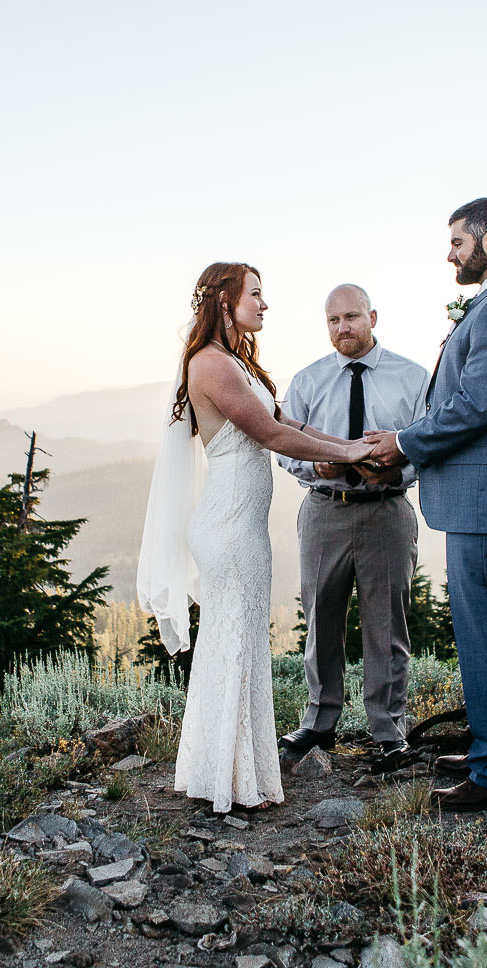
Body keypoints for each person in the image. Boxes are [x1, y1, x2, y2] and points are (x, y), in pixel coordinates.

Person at [137, 262, 378, 813]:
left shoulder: (237, 362)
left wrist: (348, 444)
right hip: (226, 527)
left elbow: (292, 424)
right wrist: (349, 455)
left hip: (242, 525)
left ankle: (227, 770)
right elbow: (270, 434)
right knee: (232, 643)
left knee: (241, 644)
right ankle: (225, 777)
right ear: (225, 301)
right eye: (256, 295)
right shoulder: (210, 364)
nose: (264, 305)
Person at [363, 197, 487, 812]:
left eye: (457, 242)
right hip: (486, 498)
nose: (450, 253)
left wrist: (403, 443)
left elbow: (476, 406)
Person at [274, 284, 429, 765]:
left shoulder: (413, 377)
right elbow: (282, 446)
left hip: (387, 510)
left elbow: (430, 444)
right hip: (325, 509)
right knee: (321, 618)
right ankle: (319, 724)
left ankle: (388, 729)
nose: (342, 328)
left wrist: (396, 468)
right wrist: (314, 467)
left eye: (352, 318)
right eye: (333, 320)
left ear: (373, 318)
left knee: (387, 624)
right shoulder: (307, 380)